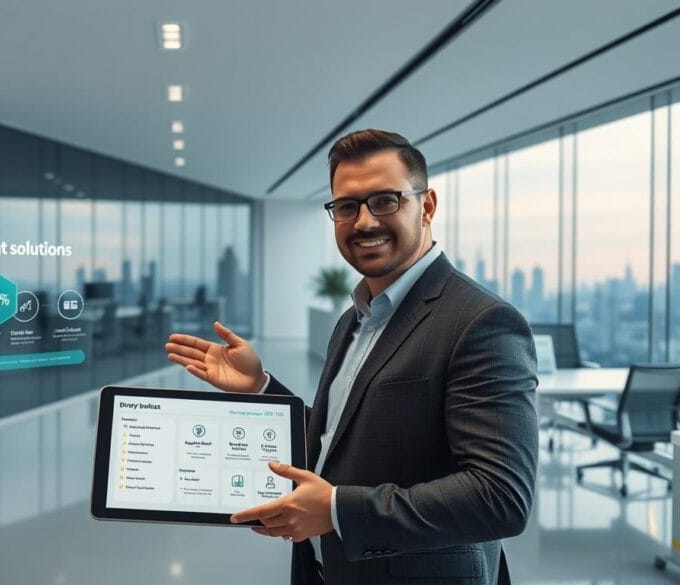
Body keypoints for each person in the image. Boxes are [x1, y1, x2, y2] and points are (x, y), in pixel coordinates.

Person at [165, 129, 537, 585]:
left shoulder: (481, 321)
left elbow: (500, 497)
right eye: (346, 206)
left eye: (384, 201)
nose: (363, 222)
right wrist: (260, 388)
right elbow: (336, 444)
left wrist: (337, 510)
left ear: (427, 206)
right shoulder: (354, 319)